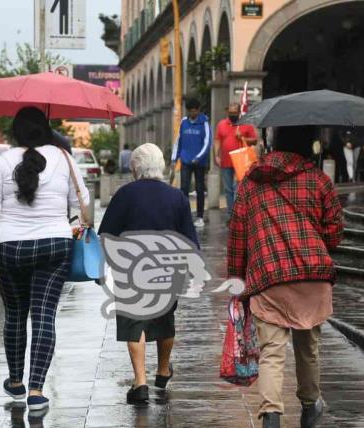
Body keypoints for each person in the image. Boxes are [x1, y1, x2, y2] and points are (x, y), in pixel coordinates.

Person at [227, 125, 344, 428]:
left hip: (269, 276)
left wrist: (237, 280)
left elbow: (237, 233)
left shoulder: (251, 183)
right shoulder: (319, 180)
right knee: (308, 348)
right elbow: (335, 231)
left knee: (272, 354)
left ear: (272, 142)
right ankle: (309, 407)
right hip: (312, 275)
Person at [0, 107, 90, 412]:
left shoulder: (4, 161)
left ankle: (16, 381)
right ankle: (37, 390)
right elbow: (82, 203)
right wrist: (74, 223)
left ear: (16, 132)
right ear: (46, 129)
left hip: (10, 248)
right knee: (44, 316)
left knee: (15, 315)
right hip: (54, 246)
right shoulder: (64, 158)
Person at [99, 143, 199, 404]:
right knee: (165, 320)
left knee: (134, 322)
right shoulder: (177, 196)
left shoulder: (125, 194)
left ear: (135, 168)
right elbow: (190, 240)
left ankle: (140, 382)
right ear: (161, 166)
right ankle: (163, 370)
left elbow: (106, 234)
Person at [172, 97, 211, 228]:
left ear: (199, 110)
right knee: (184, 188)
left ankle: (199, 216)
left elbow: (207, 143)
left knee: (200, 189)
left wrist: (198, 157)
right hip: (186, 161)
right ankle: (184, 215)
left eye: (195, 111)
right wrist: (174, 158)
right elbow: (178, 141)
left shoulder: (204, 122)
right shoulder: (184, 122)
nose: (192, 114)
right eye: (190, 111)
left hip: (199, 163)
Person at [214, 103, 257, 219]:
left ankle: (239, 214)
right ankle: (230, 215)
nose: (232, 115)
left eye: (234, 113)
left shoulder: (246, 123)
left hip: (241, 161)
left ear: (239, 112)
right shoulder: (221, 124)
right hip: (226, 161)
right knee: (228, 189)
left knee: (239, 188)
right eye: (230, 113)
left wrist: (242, 138)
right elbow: (217, 140)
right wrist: (216, 155)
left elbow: (254, 141)